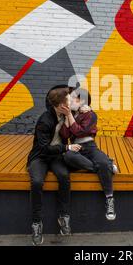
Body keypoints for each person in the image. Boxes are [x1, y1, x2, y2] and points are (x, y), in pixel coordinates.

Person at [26, 85, 82, 245]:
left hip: (56, 156)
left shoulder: (68, 114)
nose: (72, 101)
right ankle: (36, 223)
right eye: (69, 100)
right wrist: (66, 147)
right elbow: (44, 148)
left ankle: (63, 216)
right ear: (60, 105)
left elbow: (80, 125)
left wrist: (84, 109)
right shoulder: (44, 120)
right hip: (41, 157)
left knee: (64, 176)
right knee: (37, 182)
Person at [59, 87, 117, 221]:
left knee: (101, 161)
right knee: (68, 156)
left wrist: (72, 115)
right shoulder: (70, 114)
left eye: (74, 98)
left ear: (82, 100)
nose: (70, 100)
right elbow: (65, 135)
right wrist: (68, 116)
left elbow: (80, 132)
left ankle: (109, 199)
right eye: (70, 97)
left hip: (90, 146)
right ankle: (108, 166)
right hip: (75, 148)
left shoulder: (90, 115)